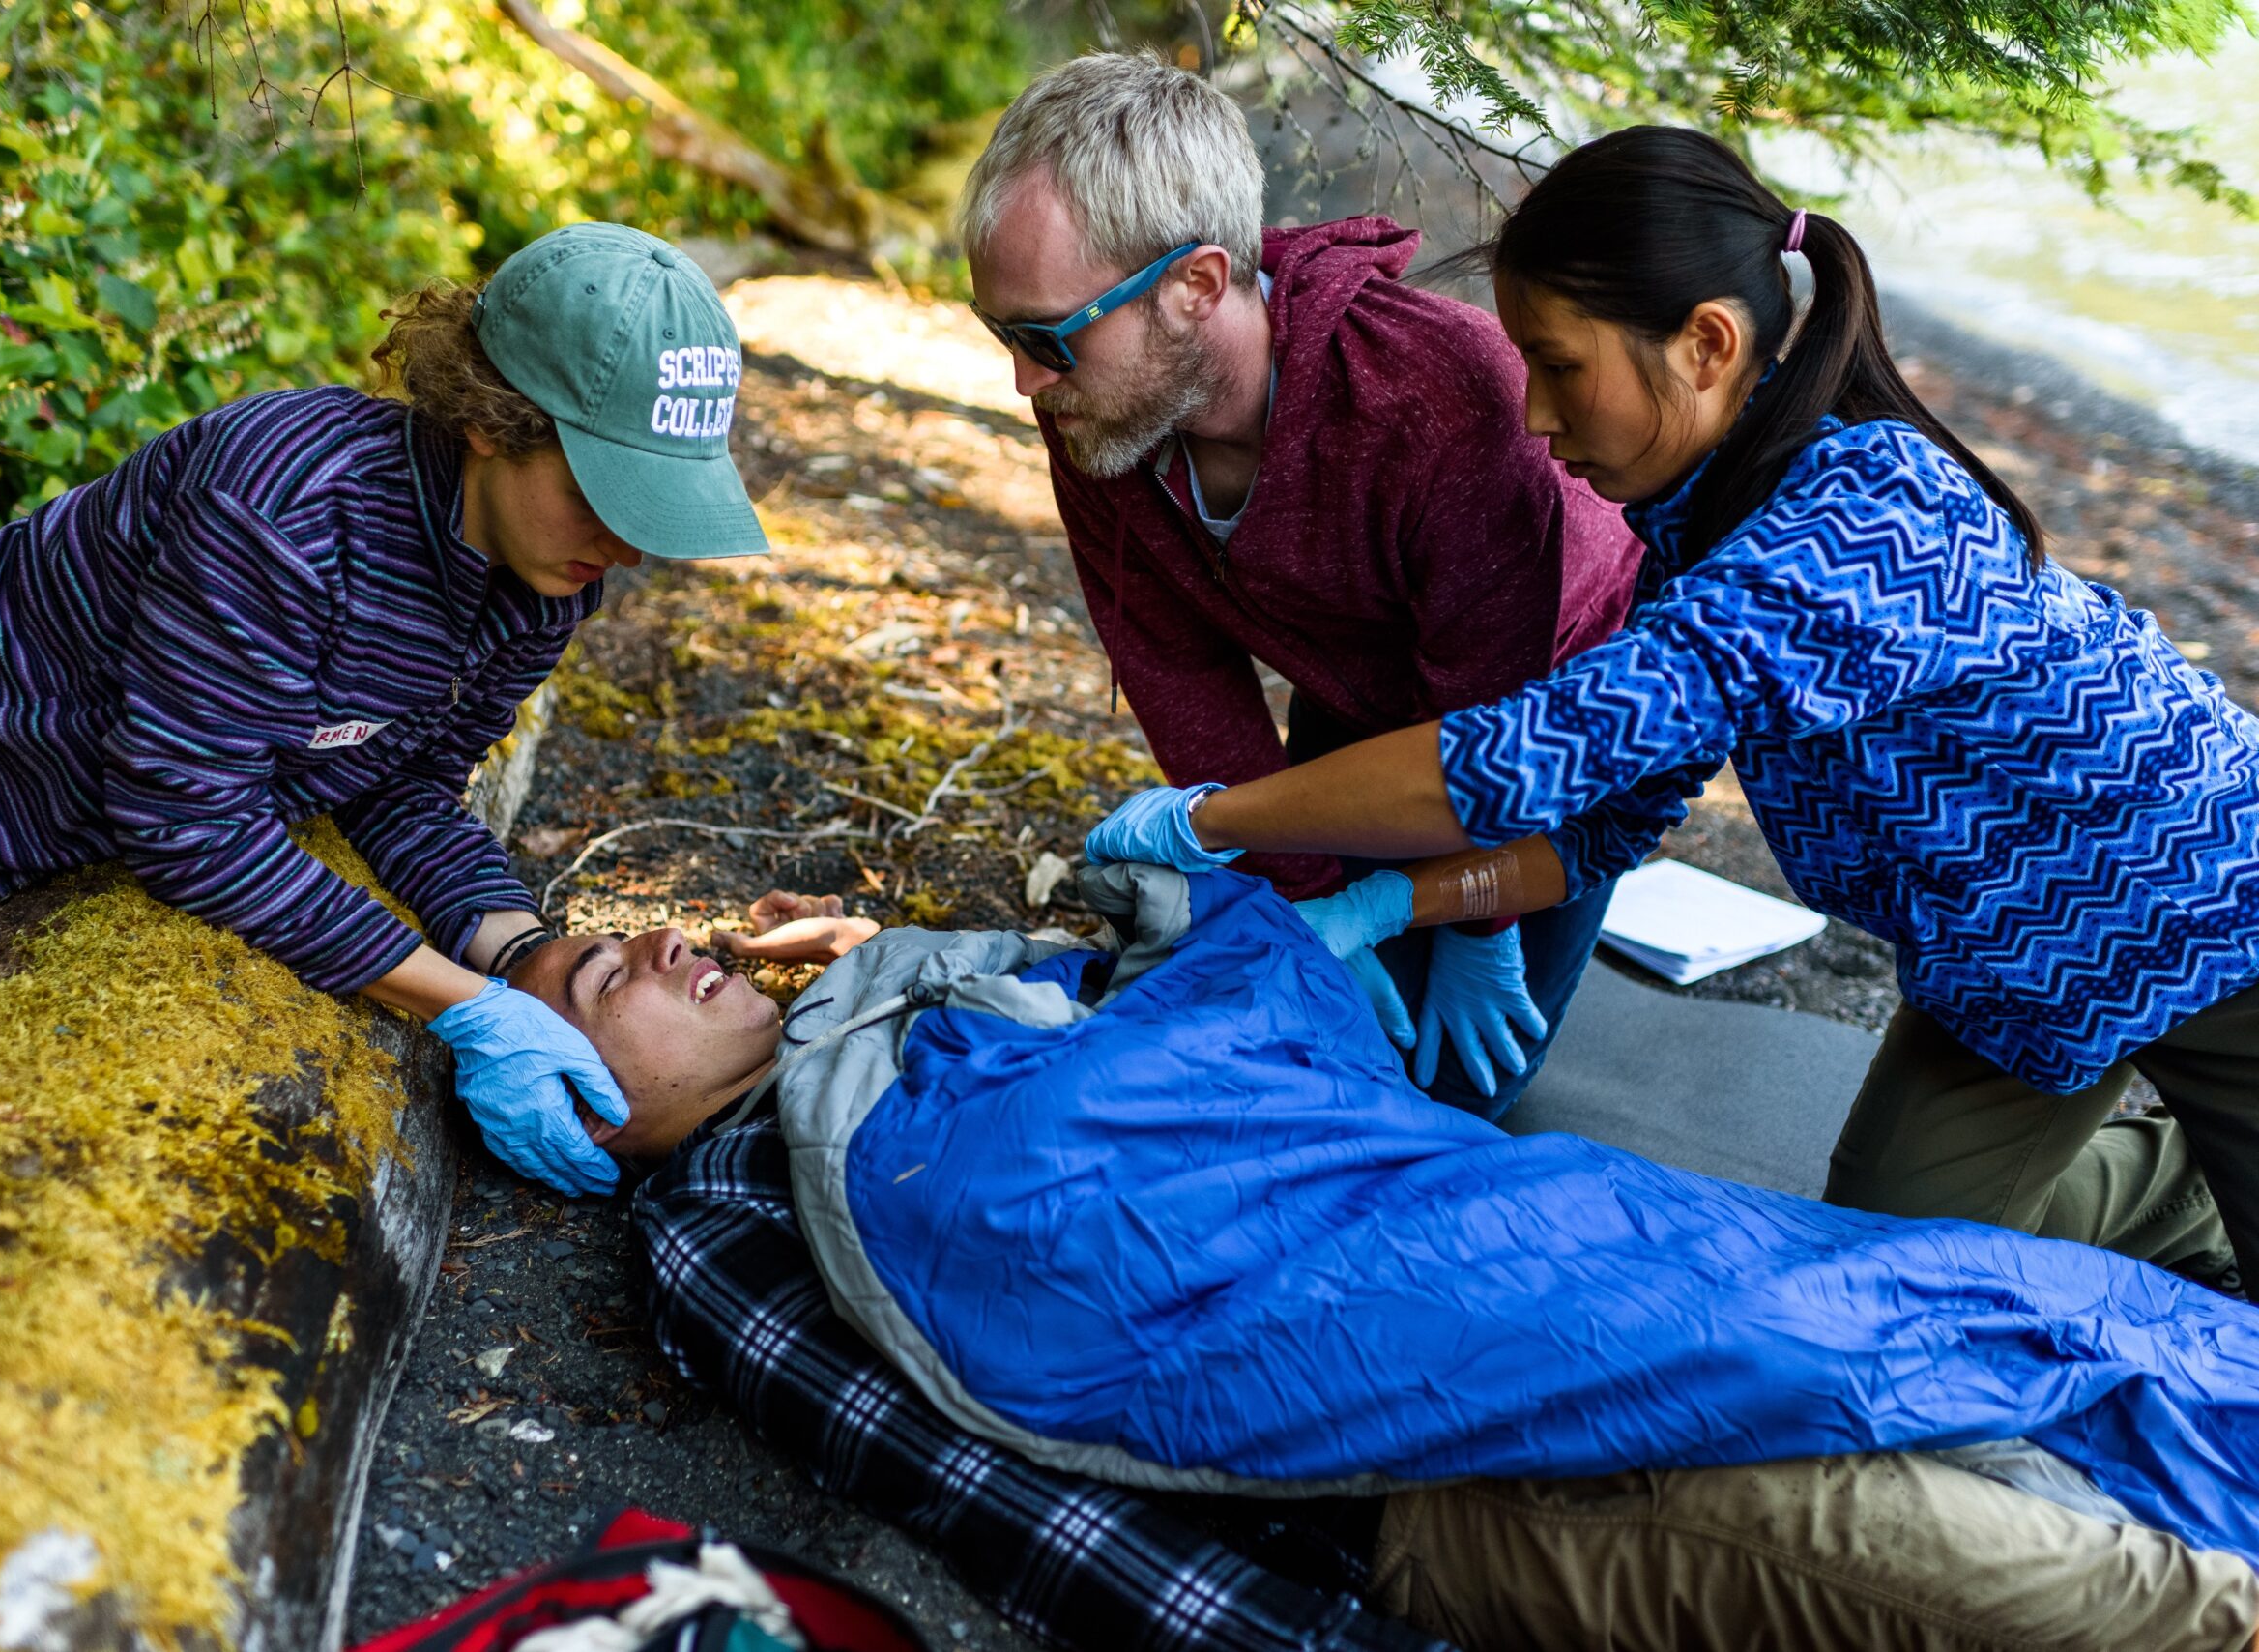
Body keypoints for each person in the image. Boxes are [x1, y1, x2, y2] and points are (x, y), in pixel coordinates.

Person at [1082, 124, 2259, 1291]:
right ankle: (2180, 1187)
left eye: (1558, 365)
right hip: (2013, 962)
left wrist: (1216, 820)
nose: (1535, 419)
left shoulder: (1867, 515)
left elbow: (1519, 757)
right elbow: (1602, 824)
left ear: (1705, 343)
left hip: (2207, 908)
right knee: (1887, 1262)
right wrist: (1395, 901)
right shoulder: (1699, 536)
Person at [510, 883, 2259, 1652]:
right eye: (607, 978)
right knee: (2078, 1582)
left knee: (2057, 1335)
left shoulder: (910, 1025)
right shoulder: (724, 1225)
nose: (663, 937)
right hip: (1443, 1462)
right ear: (587, 1115)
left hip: (1518, 1250)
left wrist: (936, 969)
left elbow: (1245, 1056)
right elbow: (968, 1468)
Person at [0, 223, 769, 1199]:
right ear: (490, 419)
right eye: (603, 493)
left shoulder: (542, 584)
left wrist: (521, 956)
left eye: (652, 513)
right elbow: (185, 816)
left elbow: (404, 789)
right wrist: (463, 1004)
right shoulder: (290, 502)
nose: (627, 548)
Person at [955, 53, 1646, 1114]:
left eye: (1046, 338)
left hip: (1553, 713)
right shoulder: (1098, 409)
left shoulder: (1439, 399)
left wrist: (1470, 919)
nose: (1024, 380)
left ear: (1192, 285)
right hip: (1359, 691)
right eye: (1003, 333)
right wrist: (1310, 895)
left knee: (1440, 1097)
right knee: (1285, 1029)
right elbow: (1182, 674)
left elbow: (1496, 719)